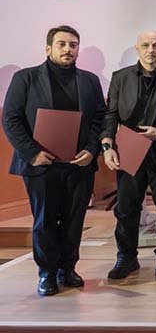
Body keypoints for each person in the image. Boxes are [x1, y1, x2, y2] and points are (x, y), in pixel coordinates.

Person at [2, 25, 105, 296]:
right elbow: (11, 119)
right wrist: (32, 153)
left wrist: (91, 150)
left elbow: (99, 119)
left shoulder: (90, 81)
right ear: (48, 48)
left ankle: (68, 269)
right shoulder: (25, 78)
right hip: (41, 164)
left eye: (73, 45)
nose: (67, 49)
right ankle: (46, 273)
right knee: (45, 221)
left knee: (74, 220)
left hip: (78, 164)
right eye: (61, 44)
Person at [101, 30, 156, 280]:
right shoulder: (120, 77)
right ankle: (126, 257)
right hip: (129, 146)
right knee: (126, 207)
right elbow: (111, 114)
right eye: (145, 45)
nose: (150, 50)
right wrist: (107, 145)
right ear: (137, 48)